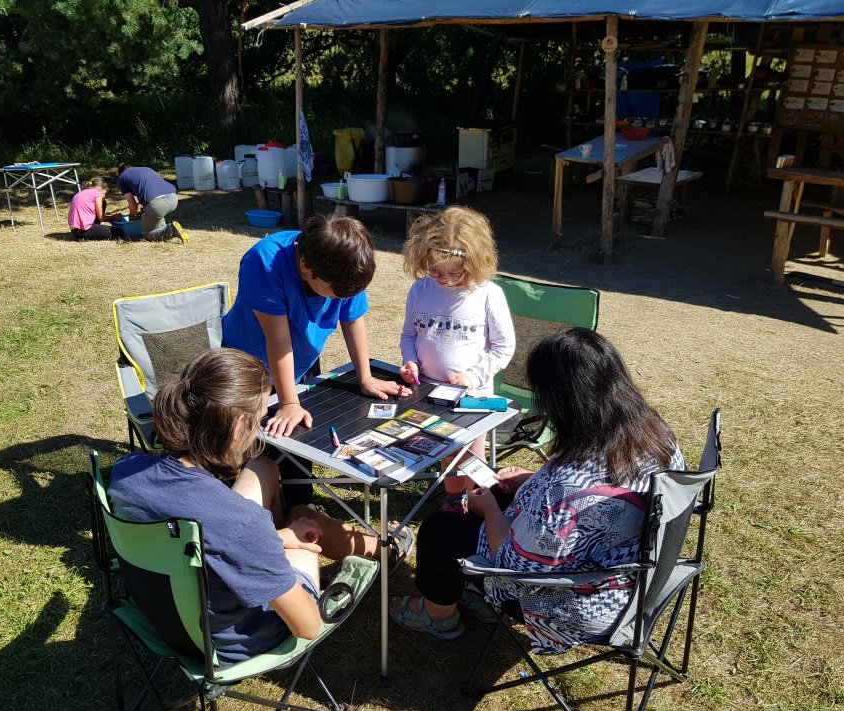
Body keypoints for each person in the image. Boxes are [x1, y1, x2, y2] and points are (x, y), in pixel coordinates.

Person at [108, 348, 413, 664]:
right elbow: (307, 626)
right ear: (239, 425)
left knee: (263, 467)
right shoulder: (240, 522)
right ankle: (385, 551)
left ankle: (370, 549)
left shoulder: (126, 471)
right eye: (259, 418)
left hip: (163, 619)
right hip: (232, 641)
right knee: (305, 521)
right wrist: (280, 543)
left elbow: (214, 544)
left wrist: (276, 539)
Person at [390, 328, 686, 645]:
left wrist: (487, 508)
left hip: (577, 604)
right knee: (497, 489)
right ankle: (469, 592)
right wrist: (532, 480)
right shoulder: (654, 434)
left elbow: (513, 562)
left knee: (439, 531)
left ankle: (438, 616)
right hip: (632, 574)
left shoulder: (566, 483)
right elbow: (596, 492)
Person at [222, 213, 411, 506]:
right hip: (251, 362)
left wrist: (365, 377)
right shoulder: (264, 262)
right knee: (258, 443)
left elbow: (353, 318)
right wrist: (289, 402)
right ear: (305, 267)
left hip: (300, 357)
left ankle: (301, 504)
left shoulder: (344, 266)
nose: (342, 298)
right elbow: (278, 341)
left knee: (298, 437)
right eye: (337, 293)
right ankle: (257, 510)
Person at [398, 206, 515, 514]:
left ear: (475, 262)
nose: (446, 281)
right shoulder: (420, 290)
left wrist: (472, 376)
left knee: (469, 456)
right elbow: (409, 335)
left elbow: (503, 347)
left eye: (455, 273)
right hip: (428, 392)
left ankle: (478, 503)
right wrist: (410, 362)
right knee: (445, 452)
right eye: (436, 272)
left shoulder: (487, 294)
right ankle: (453, 500)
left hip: (471, 397)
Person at [116, 163, 188, 243]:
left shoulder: (122, 177)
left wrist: (132, 216)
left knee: (148, 233)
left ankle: (171, 230)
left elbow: (132, 204)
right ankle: (167, 228)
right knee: (155, 214)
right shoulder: (146, 169)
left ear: (120, 173)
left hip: (157, 205)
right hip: (173, 198)